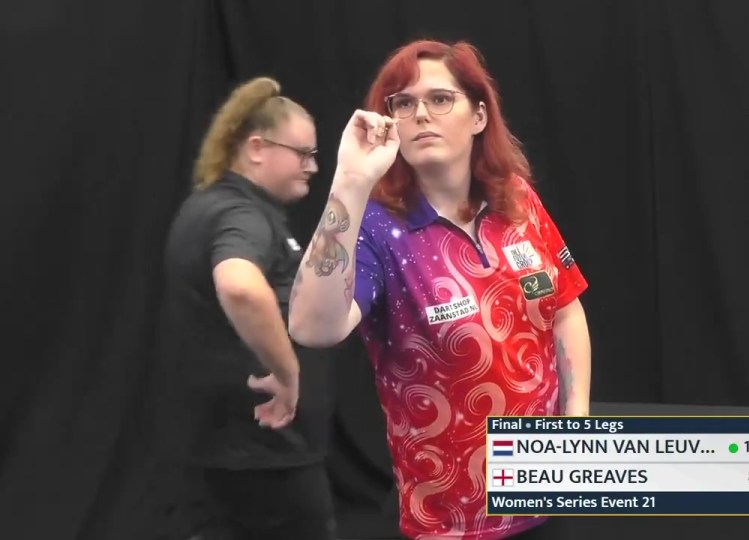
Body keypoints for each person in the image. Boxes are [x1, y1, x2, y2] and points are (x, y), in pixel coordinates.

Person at [289, 40, 592, 539]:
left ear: (478, 115)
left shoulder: (516, 200)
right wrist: (349, 183)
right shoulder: (377, 230)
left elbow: (564, 309)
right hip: (450, 522)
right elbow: (310, 328)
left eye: (439, 99)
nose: (420, 114)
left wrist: (576, 420)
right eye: (403, 104)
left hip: (545, 497)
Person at [162, 76, 336, 540]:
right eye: (303, 154)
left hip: (224, 451)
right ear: (257, 148)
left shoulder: (207, 206)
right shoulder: (240, 214)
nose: (312, 167)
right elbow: (239, 286)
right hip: (264, 457)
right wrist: (288, 374)